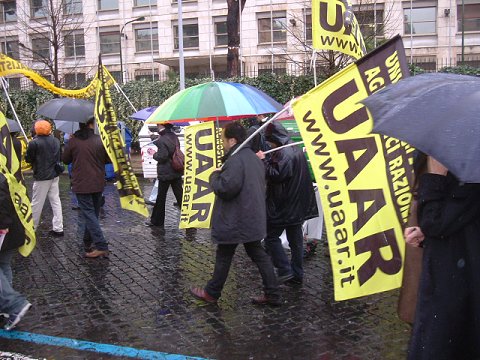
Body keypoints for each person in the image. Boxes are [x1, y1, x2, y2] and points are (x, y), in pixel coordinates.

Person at [190, 122, 281, 306]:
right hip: (250, 217)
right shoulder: (252, 157)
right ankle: (272, 294)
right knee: (258, 254)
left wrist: (215, 175)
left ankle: (211, 293)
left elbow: (225, 188)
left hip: (236, 219)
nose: (222, 142)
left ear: (232, 140)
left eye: (223, 138)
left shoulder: (236, 160)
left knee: (225, 254)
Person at [407, 156, 480, 359]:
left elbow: (436, 221)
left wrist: (435, 175)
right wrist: (426, 234)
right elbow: (459, 219)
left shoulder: (470, 173)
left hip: (455, 287)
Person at [257, 121, 318, 285]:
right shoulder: (292, 149)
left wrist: (263, 161)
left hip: (285, 205)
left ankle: (286, 270)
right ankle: (297, 275)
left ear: (274, 137)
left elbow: (277, 175)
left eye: (269, 139)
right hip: (296, 204)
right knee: (296, 240)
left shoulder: (285, 152)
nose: (268, 143)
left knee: (271, 237)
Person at [62, 117, 111, 258]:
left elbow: (65, 160)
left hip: (81, 183)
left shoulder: (73, 141)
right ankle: (87, 240)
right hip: (98, 182)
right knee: (93, 213)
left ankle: (101, 245)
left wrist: (70, 144)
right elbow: (108, 159)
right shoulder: (100, 140)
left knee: (89, 214)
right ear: (91, 124)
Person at [0, 173, 32, 330]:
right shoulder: (5, 175)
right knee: (4, 264)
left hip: (4, 229)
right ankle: (6, 309)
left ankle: (13, 304)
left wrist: (2, 224)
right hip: (11, 229)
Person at [25, 120, 64, 237]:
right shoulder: (56, 141)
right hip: (54, 174)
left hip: (42, 176)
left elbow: (28, 159)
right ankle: (58, 228)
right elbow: (59, 155)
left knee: (36, 203)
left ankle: (32, 228)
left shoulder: (34, 143)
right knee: (55, 201)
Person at [145, 123, 183, 233]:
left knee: (161, 198)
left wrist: (153, 154)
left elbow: (162, 156)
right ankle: (189, 218)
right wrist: (153, 137)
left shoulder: (162, 139)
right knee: (180, 196)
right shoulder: (174, 136)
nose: (157, 126)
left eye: (158, 125)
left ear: (162, 126)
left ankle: (157, 221)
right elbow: (166, 145)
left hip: (165, 173)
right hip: (176, 171)